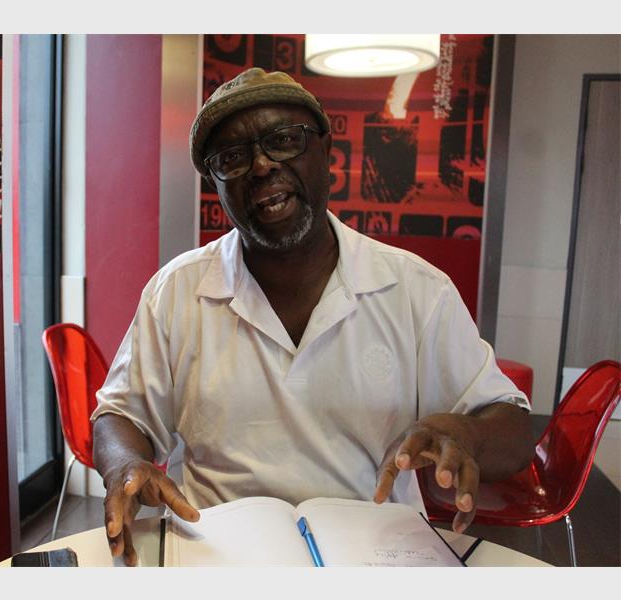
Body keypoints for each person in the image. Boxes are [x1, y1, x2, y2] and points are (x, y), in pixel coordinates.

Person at [91, 67, 534, 566]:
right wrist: (125, 463)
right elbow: (119, 415)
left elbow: (513, 428)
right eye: (232, 158)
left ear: (327, 151)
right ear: (215, 183)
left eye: (283, 140)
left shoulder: (415, 289)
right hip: (218, 555)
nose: (262, 166)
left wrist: (467, 433)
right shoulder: (176, 292)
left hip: (376, 559)